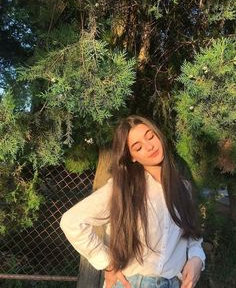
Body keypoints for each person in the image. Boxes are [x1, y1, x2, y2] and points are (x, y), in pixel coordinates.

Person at [60, 115, 205, 288]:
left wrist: (197, 259)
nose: (149, 146)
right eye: (138, 147)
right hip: (133, 283)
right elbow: (71, 221)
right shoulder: (123, 189)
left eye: (150, 136)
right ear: (132, 157)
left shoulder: (184, 188)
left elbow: (193, 237)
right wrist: (107, 263)